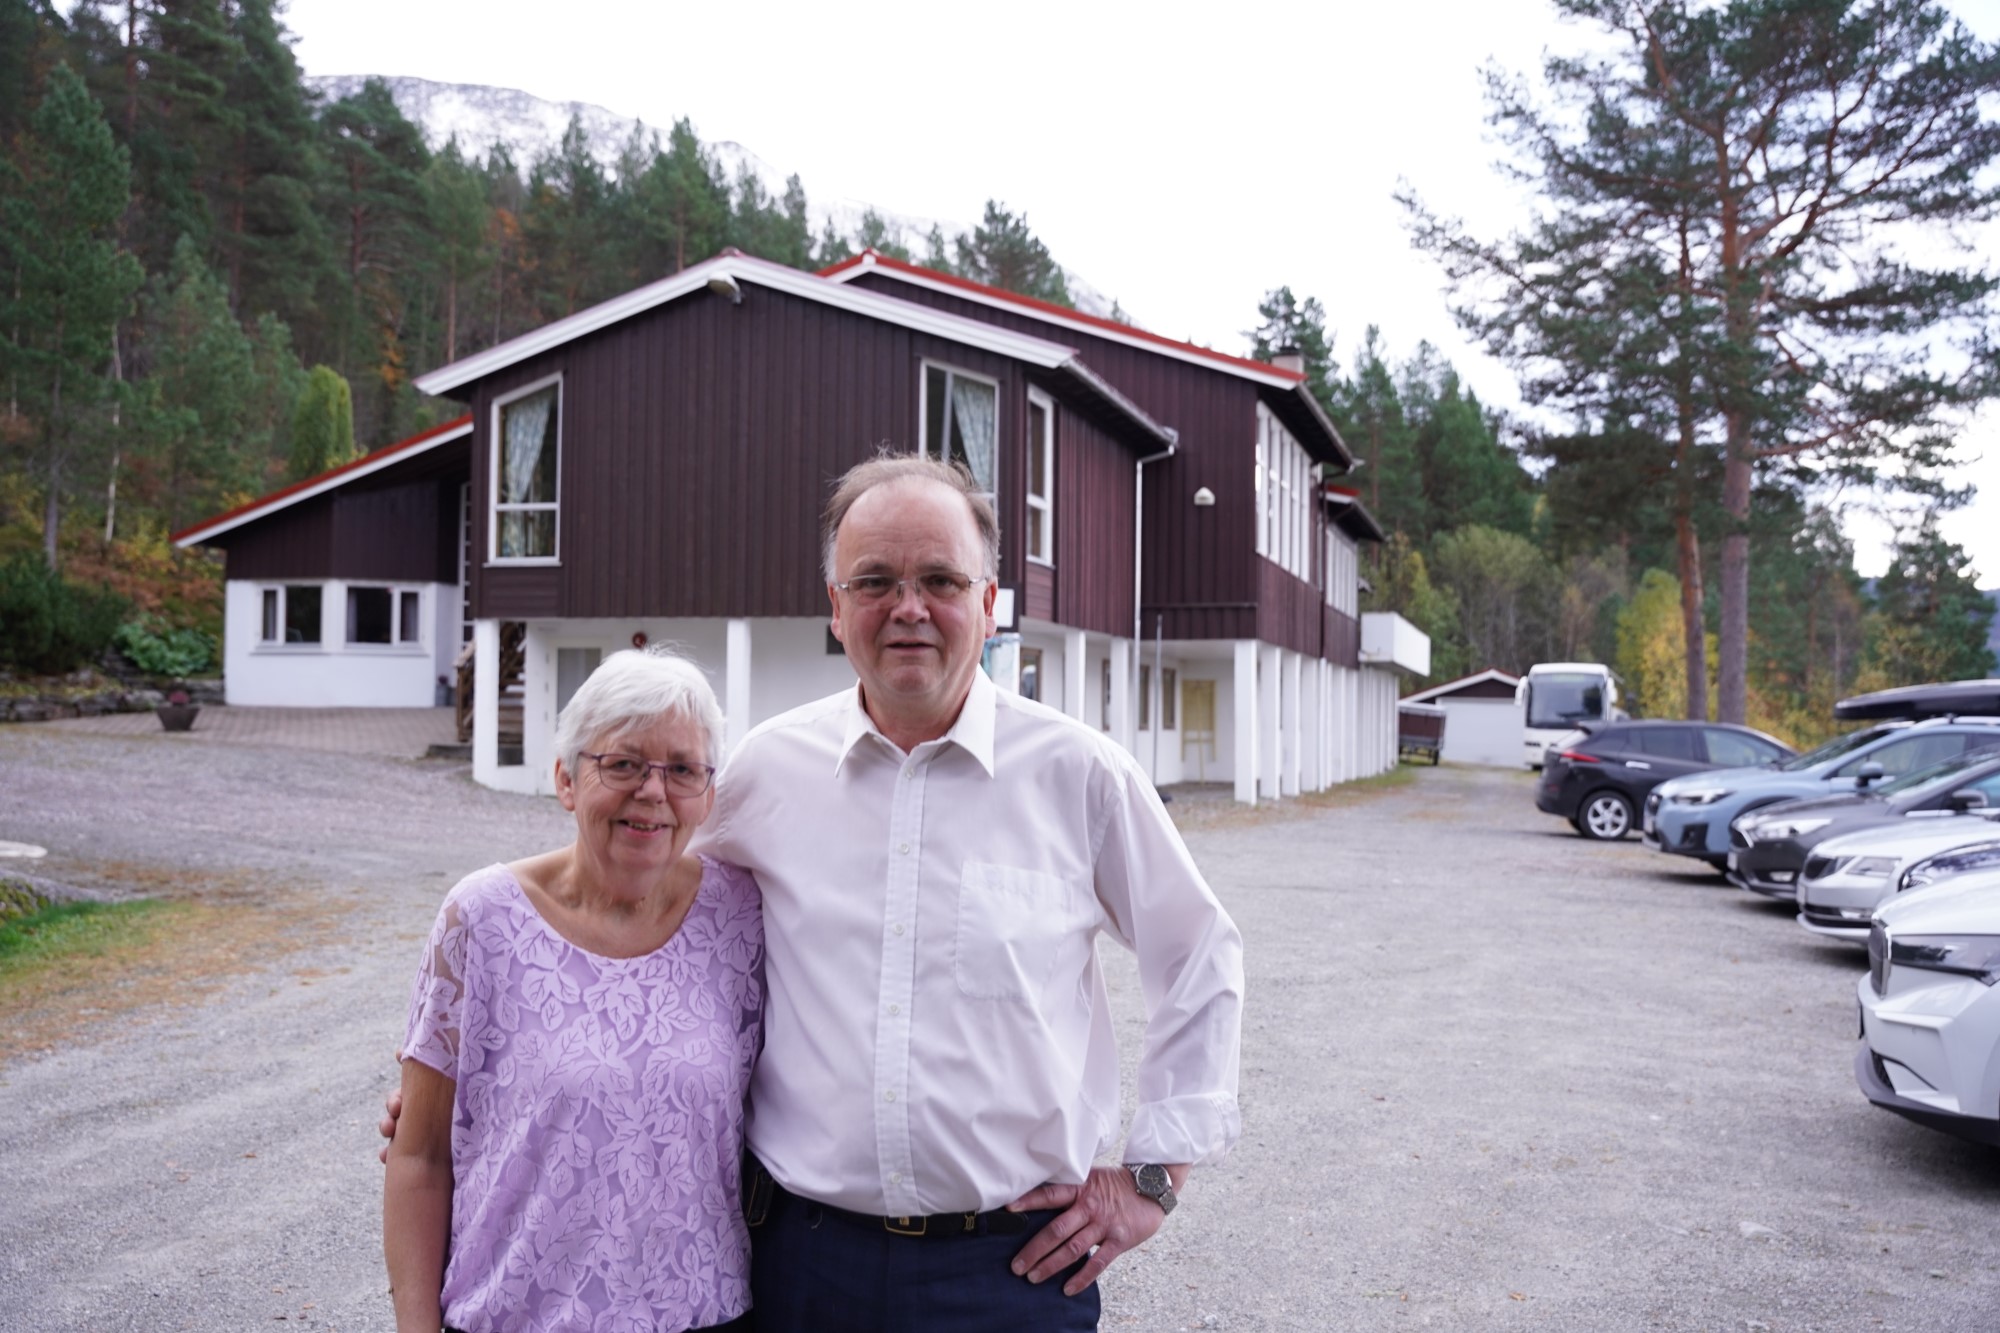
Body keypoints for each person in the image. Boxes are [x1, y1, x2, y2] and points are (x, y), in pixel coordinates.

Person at [702, 455, 1243, 1330]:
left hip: (1010, 1273)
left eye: (940, 579)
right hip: (799, 1264)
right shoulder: (767, 770)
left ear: (989, 604)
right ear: (836, 608)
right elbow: (654, 921)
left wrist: (1156, 1175)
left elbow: (1200, 952)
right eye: (873, 580)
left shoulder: (1080, 774)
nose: (908, 607)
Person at [382, 647, 762, 1333]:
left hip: (703, 1314)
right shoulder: (483, 917)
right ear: (565, 778)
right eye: (622, 763)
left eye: (682, 769)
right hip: (514, 1316)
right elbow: (419, 1151)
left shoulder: (740, 915)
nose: (652, 791)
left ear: (707, 794)